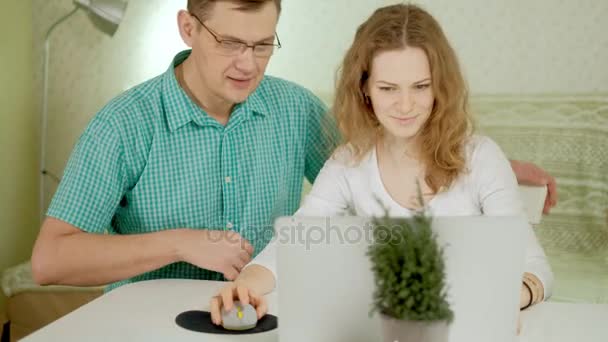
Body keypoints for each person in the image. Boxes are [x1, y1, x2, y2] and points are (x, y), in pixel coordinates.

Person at [30, 0, 554, 323]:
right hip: (151, 321)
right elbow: (50, 262)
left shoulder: (294, 108)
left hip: (264, 315)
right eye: (231, 42)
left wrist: (497, 167)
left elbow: (389, 151)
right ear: (188, 28)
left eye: (263, 45)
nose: (248, 63)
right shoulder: (124, 125)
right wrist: (180, 242)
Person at [210, 3, 554, 328]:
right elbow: (293, 243)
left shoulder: (482, 159)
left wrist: (509, 297)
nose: (406, 105)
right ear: (365, 89)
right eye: (388, 88)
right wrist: (246, 285)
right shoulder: (349, 162)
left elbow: (534, 267)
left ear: (440, 88)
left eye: (420, 87)